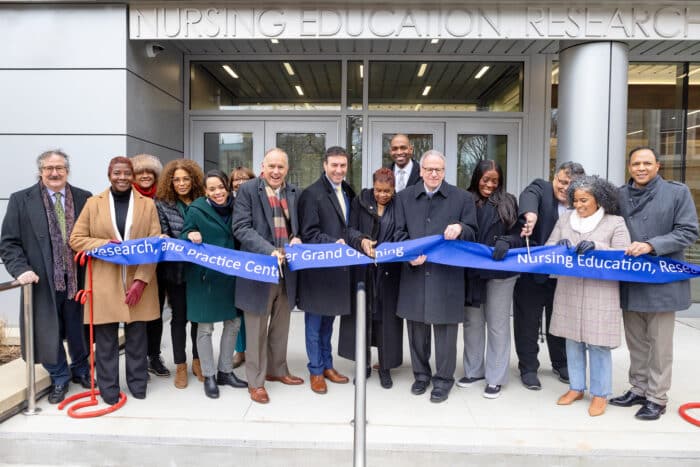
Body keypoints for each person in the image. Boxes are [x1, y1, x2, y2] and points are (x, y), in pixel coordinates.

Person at [610, 146, 699, 421]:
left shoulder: (677, 192)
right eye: (636, 163)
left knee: (660, 346)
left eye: (647, 163)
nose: (641, 168)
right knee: (636, 343)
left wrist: (651, 245)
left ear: (658, 166)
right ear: (629, 167)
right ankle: (638, 388)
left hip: (662, 283)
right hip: (631, 282)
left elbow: (688, 231)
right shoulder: (619, 195)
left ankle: (656, 398)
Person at [0, 150, 92, 404]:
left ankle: (81, 370)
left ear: (67, 170)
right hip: (41, 281)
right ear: (40, 171)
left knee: (78, 328)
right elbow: (8, 243)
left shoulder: (84, 198)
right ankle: (60, 377)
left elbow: (94, 234)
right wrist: (21, 270)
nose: (54, 173)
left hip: (77, 279)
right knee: (47, 329)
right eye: (49, 168)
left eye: (59, 168)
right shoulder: (21, 200)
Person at [70, 156, 161, 405]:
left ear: (132, 175)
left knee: (137, 339)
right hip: (103, 282)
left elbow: (155, 245)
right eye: (116, 173)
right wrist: (103, 245)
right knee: (107, 341)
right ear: (109, 174)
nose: (122, 178)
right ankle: (109, 388)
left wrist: (141, 281)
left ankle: (138, 384)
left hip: (138, 280)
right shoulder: (93, 203)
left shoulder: (147, 205)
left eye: (126, 173)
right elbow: (76, 239)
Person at [393, 150, 477, 403]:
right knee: (416, 330)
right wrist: (408, 255)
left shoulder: (462, 198)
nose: (433, 173)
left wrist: (461, 227)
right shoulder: (404, 197)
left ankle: (443, 380)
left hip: (447, 277)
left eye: (438, 169)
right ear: (420, 171)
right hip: (415, 274)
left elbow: (474, 232)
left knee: (445, 334)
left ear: (444, 171)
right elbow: (397, 233)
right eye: (429, 169)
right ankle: (421, 376)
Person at [546, 176, 631, 417]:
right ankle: (576, 388)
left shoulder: (614, 222)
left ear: (599, 199)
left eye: (584, 200)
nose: (579, 205)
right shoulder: (565, 219)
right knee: (572, 341)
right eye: (575, 200)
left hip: (600, 291)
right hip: (570, 289)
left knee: (598, 344)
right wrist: (558, 245)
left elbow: (623, 255)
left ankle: (600, 394)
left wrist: (598, 247)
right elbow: (549, 245)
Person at [297, 146, 372, 394]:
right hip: (318, 272)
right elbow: (308, 234)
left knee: (329, 323)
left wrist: (359, 239)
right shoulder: (311, 194)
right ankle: (315, 370)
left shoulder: (348, 191)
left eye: (342, 165)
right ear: (324, 166)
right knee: (314, 325)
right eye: (334, 165)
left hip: (338, 271)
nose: (338, 170)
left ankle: (328, 365)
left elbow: (347, 227)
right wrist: (333, 243)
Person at [232, 149, 305, 404]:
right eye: (271, 166)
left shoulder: (293, 192)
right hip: (258, 269)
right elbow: (241, 227)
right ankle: (256, 381)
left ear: (287, 168)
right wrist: (269, 250)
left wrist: (298, 237)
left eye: (281, 167)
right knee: (256, 329)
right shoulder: (249, 190)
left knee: (281, 325)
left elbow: (298, 226)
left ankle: (277, 370)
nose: (276, 171)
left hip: (287, 269)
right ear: (263, 166)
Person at [514, 161, 585, 390]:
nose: (565, 188)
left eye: (570, 185)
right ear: (554, 178)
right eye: (562, 182)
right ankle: (528, 367)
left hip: (565, 276)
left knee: (561, 321)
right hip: (535, 273)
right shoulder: (542, 189)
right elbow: (529, 195)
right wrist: (530, 215)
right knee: (527, 322)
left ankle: (560, 363)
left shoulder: (582, 203)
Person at [459, 160, 522, 399]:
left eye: (495, 180)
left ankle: (495, 377)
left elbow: (518, 233)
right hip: (472, 273)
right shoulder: (464, 199)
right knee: (472, 323)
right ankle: (473, 371)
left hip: (500, 273)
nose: (489, 184)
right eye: (485, 179)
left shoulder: (509, 201)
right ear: (477, 178)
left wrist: (507, 241)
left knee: (497, 325)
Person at [181, 169, 247, 399]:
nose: (218, 192)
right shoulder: (196, 209)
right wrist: (190, 235)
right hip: (205, 277)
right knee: (205, 328)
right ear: (205, 191)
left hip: (232, 276)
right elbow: (184, 233)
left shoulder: (239, 206)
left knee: (234, 323)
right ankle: (209, 375)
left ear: (227, 187)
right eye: (212, 189)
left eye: (221, 187)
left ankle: (225, 372)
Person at [339, 168, 404, 389]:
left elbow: (402, 232)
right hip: (363, 271)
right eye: (378, 190)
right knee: (362, 318)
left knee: (385, 321)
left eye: (387, 191)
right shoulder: (360, 201)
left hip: (388, 272)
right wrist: (362, 240)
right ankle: (363, 365)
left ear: (394, 189)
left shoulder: (399, 205)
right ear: (372, 186)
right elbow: (350, 230)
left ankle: (385, 368)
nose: (382, 195)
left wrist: (388, 249)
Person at [155, 159, 206, 389]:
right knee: (179, 319)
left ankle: (198, 361)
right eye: (177, 180)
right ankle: (181, 366)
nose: (182, 183)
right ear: (170, 182)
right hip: (176, 273)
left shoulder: (204, 202)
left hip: (200, 271)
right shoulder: (162, 204)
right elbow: (165, 234)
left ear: (194, 180)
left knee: (198, 318)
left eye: (186, 179)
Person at [130, 153, 169, 378]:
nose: (145, 176)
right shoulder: (127, 199)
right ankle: (137, 358)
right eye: (140, 172)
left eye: (150, 172)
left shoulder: (163, 198)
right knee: (135, 313)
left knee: (155, 313)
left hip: (159, 267)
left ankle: (153, 356)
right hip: (133, 265)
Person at [229, 165, 256, 370]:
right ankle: (240, 350)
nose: (239, 183)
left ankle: (254, 349)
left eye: (245, 179)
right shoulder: (226, 202)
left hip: (253, 260)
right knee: (236, 310)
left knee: (253, 310)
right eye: (236, 180)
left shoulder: (256, 201)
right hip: (232, 261)